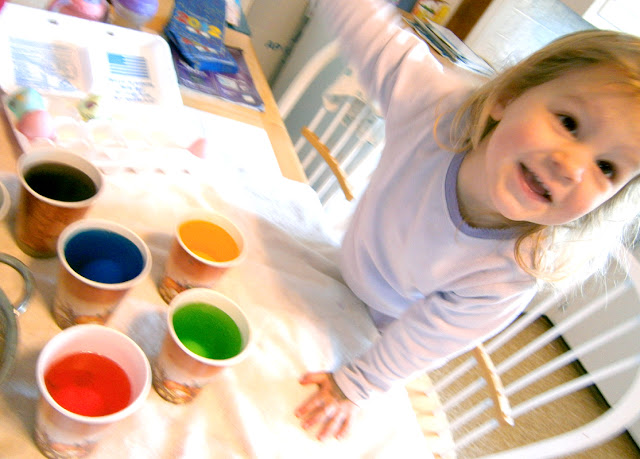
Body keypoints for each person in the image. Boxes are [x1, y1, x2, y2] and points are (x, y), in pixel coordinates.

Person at [294, 0, 640, 442]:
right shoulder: (434, 107)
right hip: (342, 258)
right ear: (508, 96)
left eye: (607, 168)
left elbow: (428, 338)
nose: (571, 168)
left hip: (381, 327)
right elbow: (371, 34)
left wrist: (354, 385)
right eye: (569, 123)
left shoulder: (514, 269)